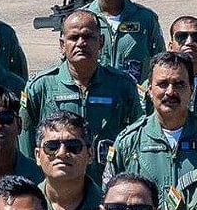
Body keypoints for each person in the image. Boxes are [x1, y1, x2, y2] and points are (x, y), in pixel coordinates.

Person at [105, 51, 197, 203]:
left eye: (179, 84)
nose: (170, 92)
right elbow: (109, 197)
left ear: (191, 89)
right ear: (150, 90)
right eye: (163, 84)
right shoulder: (129, 141)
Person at [22, 8, 142, 145]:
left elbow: (136, 136)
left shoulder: (122, 85)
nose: (81, 43)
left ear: (101, 42)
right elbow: (26, 140)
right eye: (73, 38)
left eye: (88, 37)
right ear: (62, 45)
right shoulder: (40, 87)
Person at [82, 0, 162, 74]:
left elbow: (160, 62)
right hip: (95, 92)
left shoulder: (146, 19)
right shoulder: (81, 20)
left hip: (133, 92)